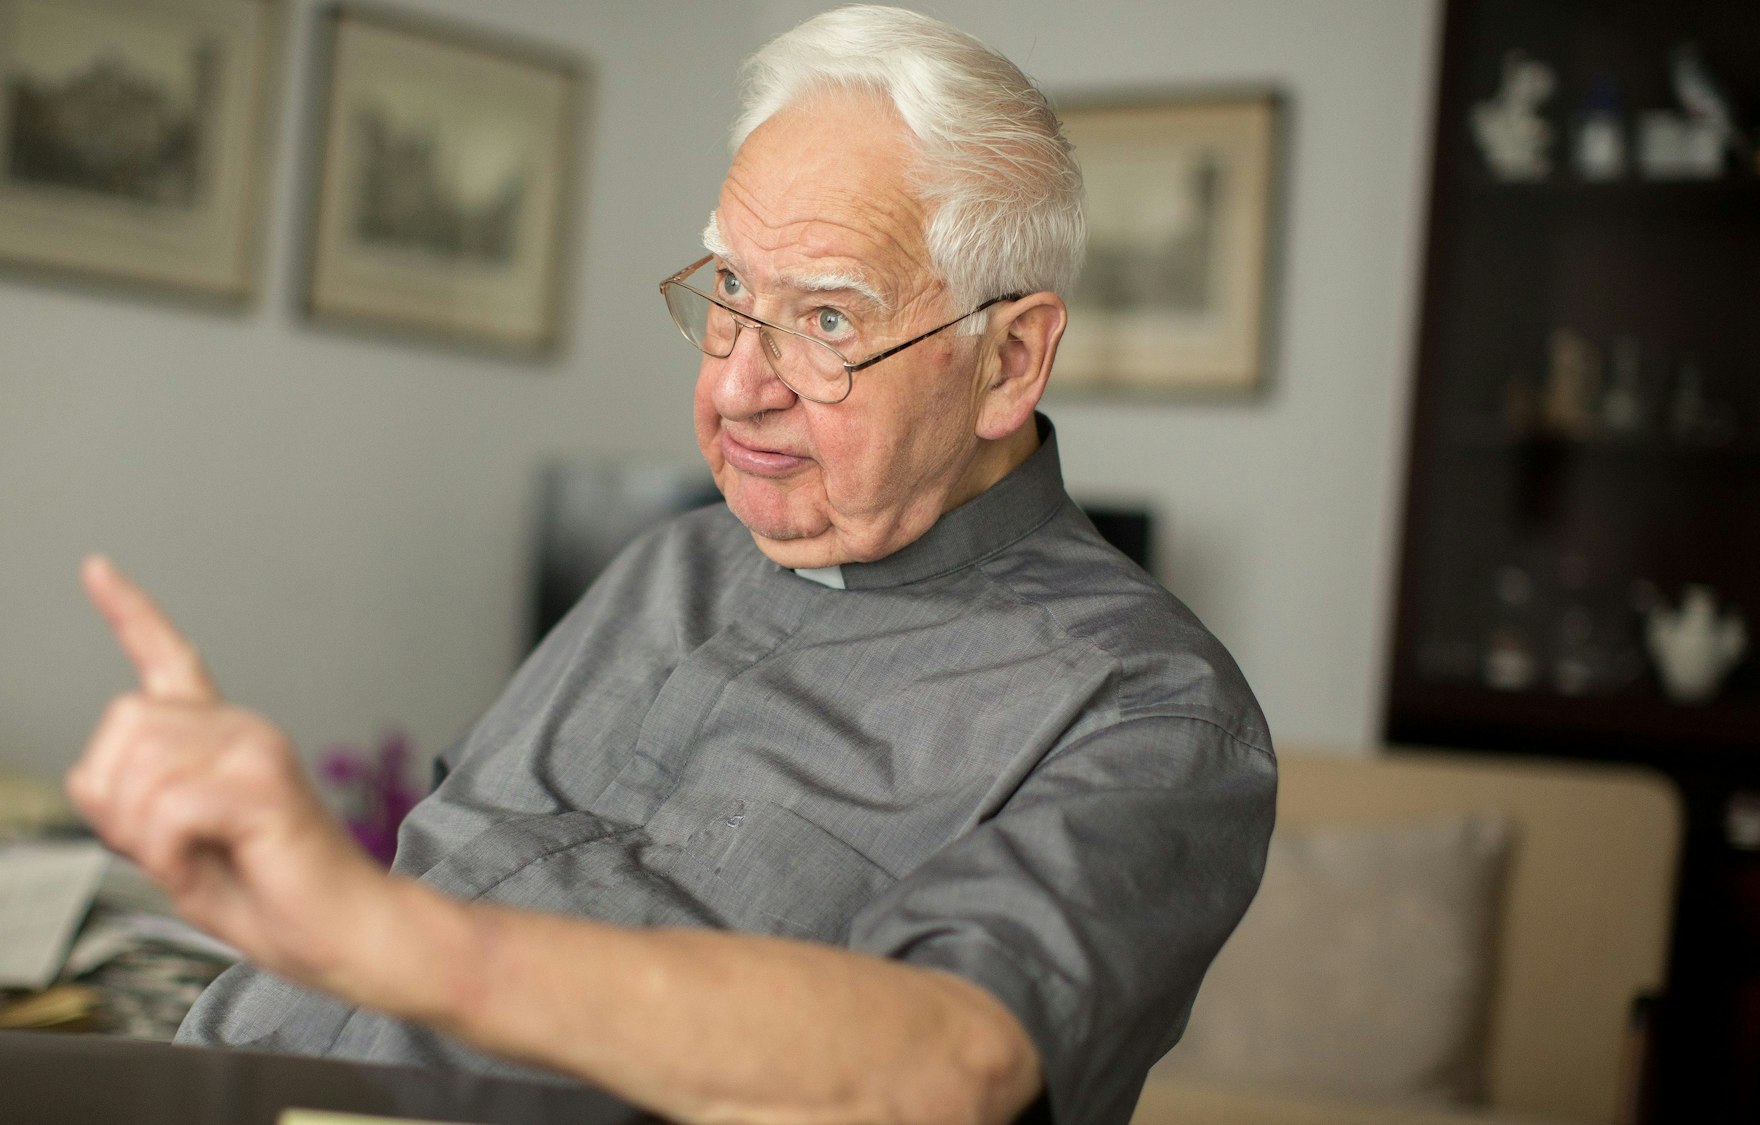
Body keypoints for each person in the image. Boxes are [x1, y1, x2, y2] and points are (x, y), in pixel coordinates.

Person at [68, 7, 1275, 1124]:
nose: (736, 385)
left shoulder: (1145, 705)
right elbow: (442, 853)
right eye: (732, 292)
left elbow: (954, 1062)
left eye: (828, 321)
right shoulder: (668, 566)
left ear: (1008, 362)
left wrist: (377, 936)